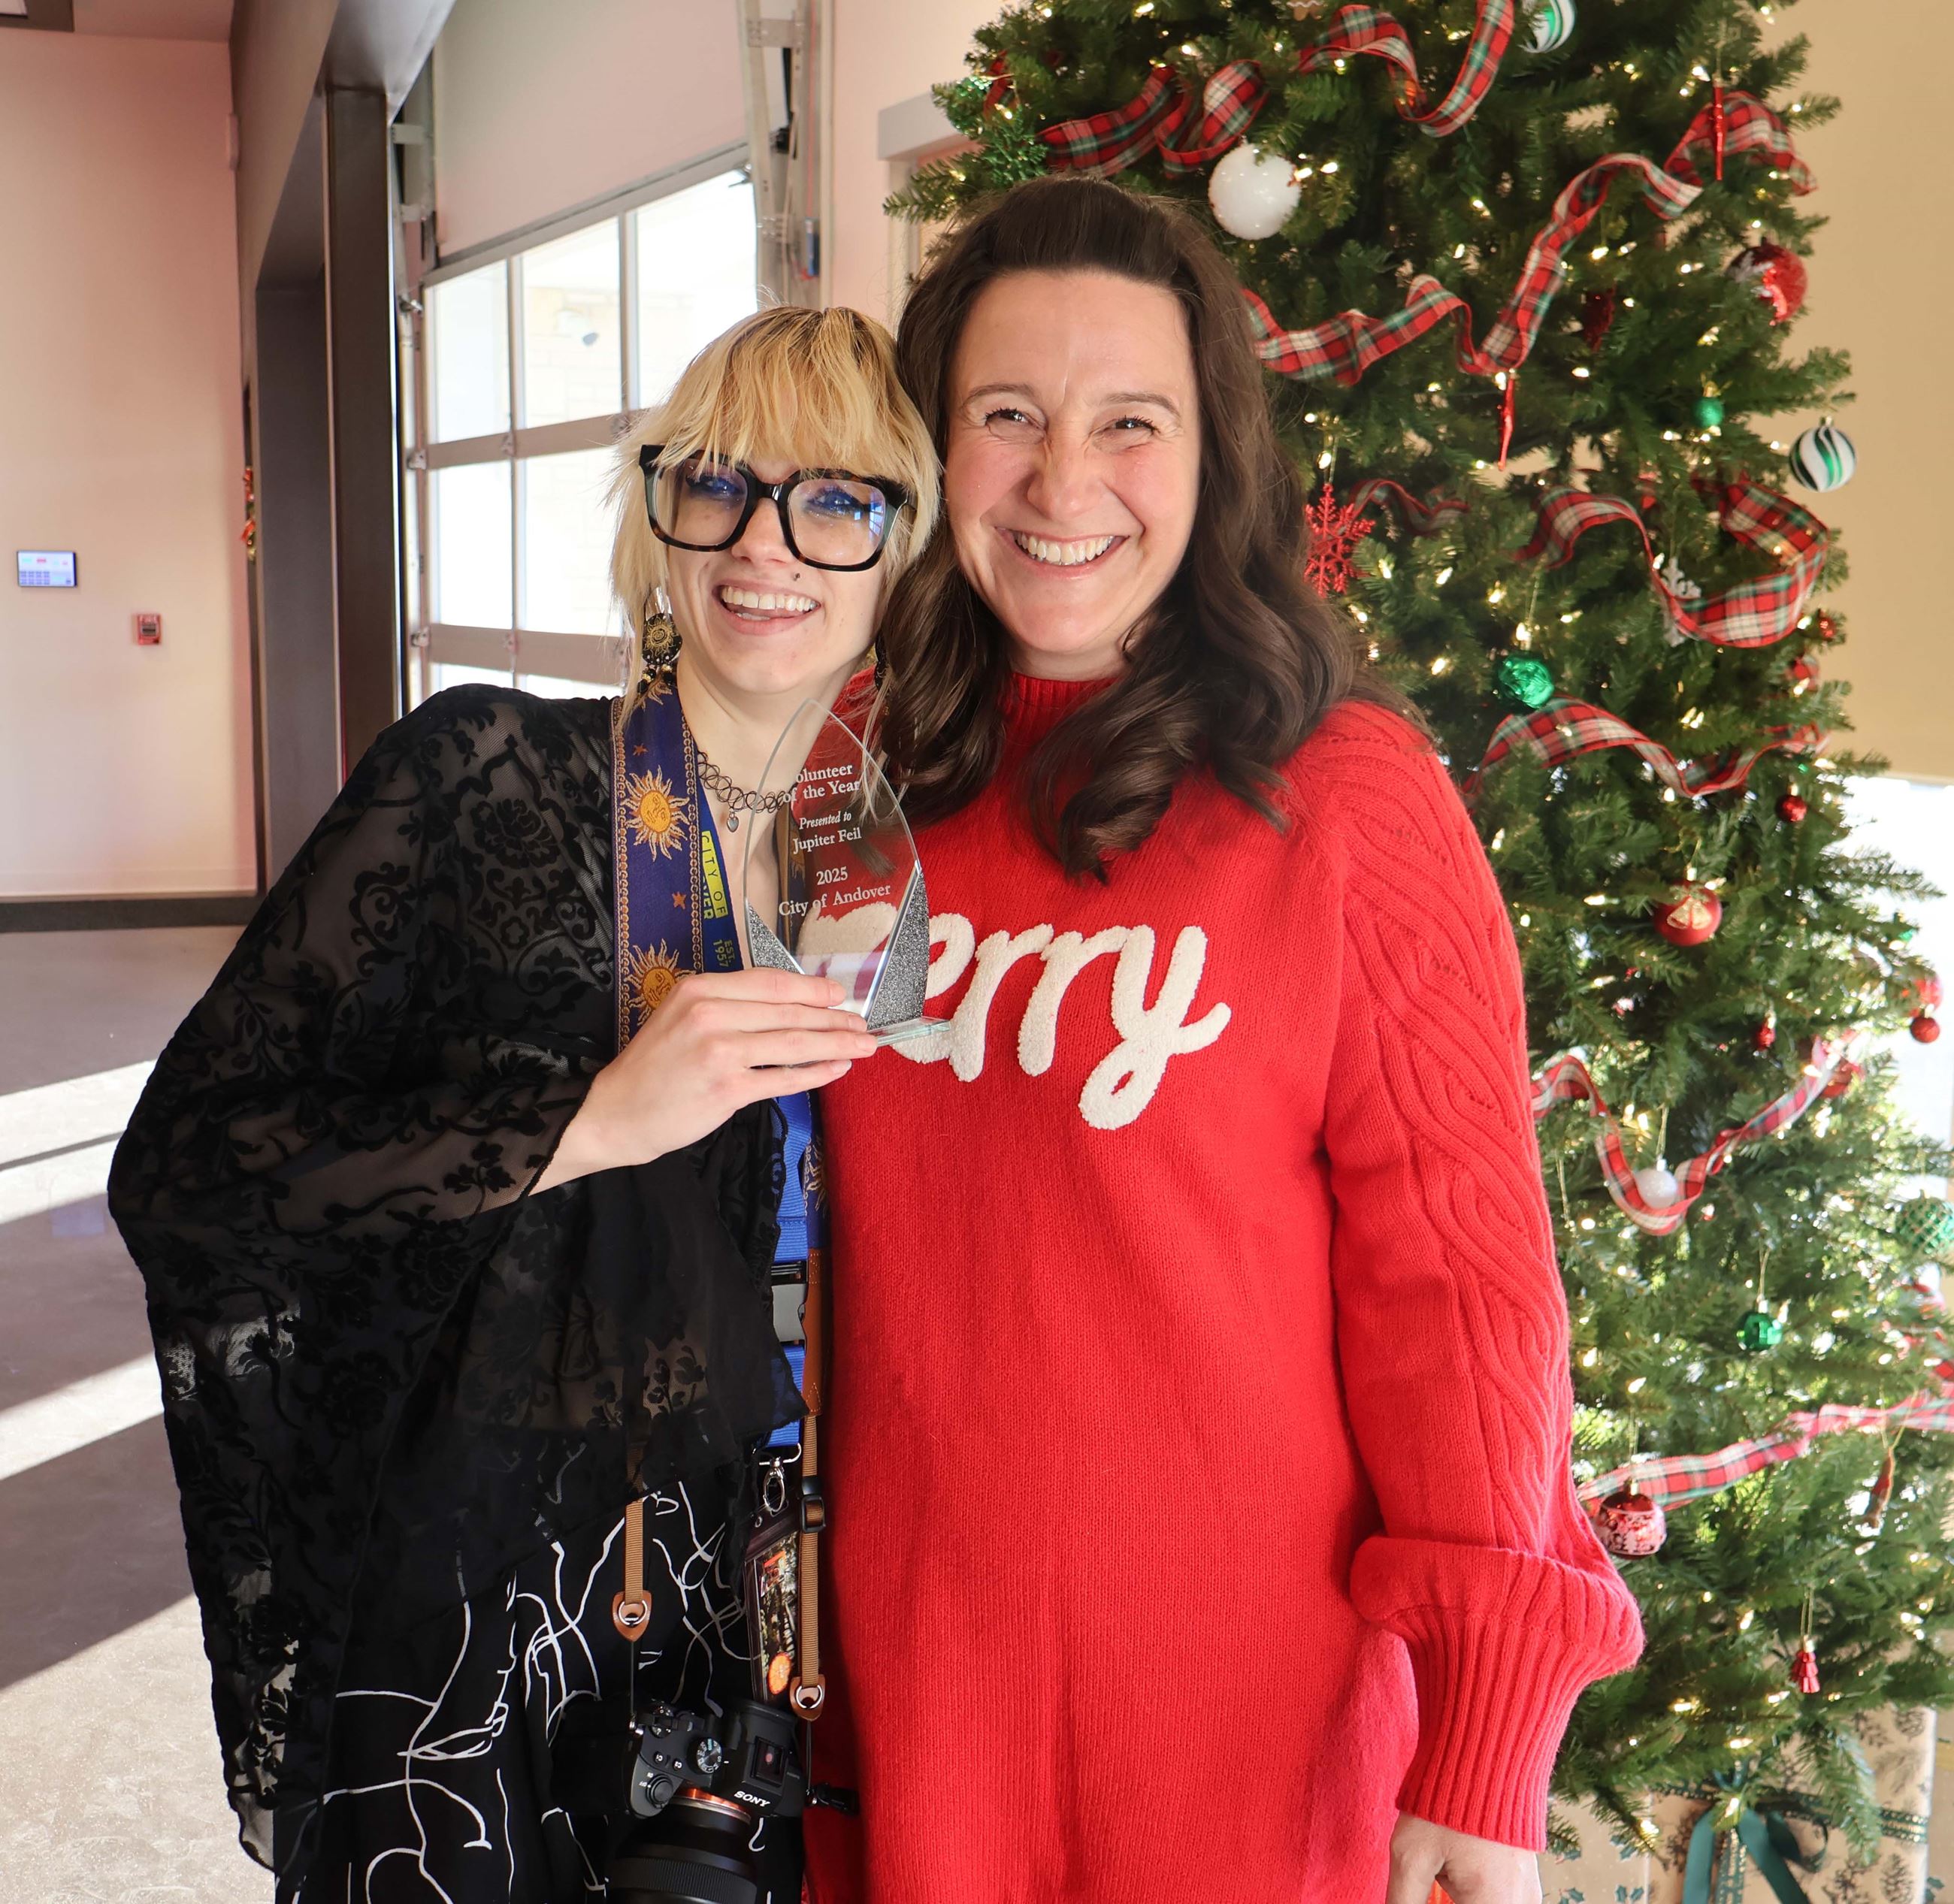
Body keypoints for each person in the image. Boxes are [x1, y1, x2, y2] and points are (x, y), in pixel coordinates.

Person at [801, 175, 1643, 1904]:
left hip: (1241, 1738)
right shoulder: (838, 772)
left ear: (1212, 456)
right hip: (894, 1700)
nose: (1063, 483)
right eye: (1005, 418)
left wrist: (1482, 1742)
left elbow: (1462, 1292)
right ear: (931, 447)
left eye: (1130, 422)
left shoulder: (1342, 801)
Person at [107, 304, 936, 1904]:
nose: (766, 544)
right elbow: (191, 1167)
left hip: (812, 1592)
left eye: (836, 499)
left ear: (902, 542)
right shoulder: (480, 774)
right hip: (500, 1597)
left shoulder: (915, 856)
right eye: (717, 484)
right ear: (660, 514)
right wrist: (594, 1121)